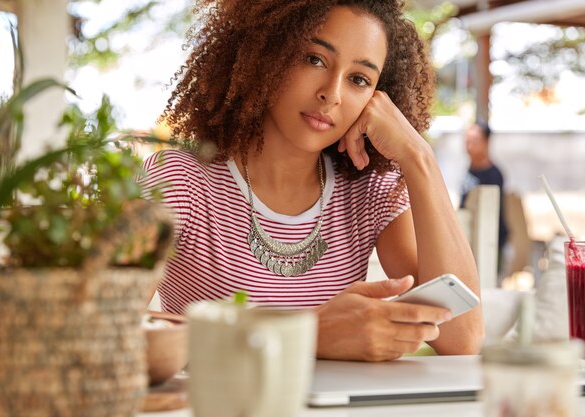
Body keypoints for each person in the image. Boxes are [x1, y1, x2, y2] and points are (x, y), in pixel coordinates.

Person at [139, 0, 484, 361]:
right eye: (314, 59)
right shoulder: (177, 181)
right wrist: (308, 335)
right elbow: (102, 335)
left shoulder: (368, 192)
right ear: (268, 51)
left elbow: (461, 337)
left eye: (359, 80)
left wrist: (419, 157)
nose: (331, 94)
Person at [460, 120, 509, 257]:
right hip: (470, 239)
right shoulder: (470, 169)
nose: (469, 146)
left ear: (486, 142)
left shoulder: (493, 174)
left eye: (475, 141)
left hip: (490, 242)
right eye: (467, 141)